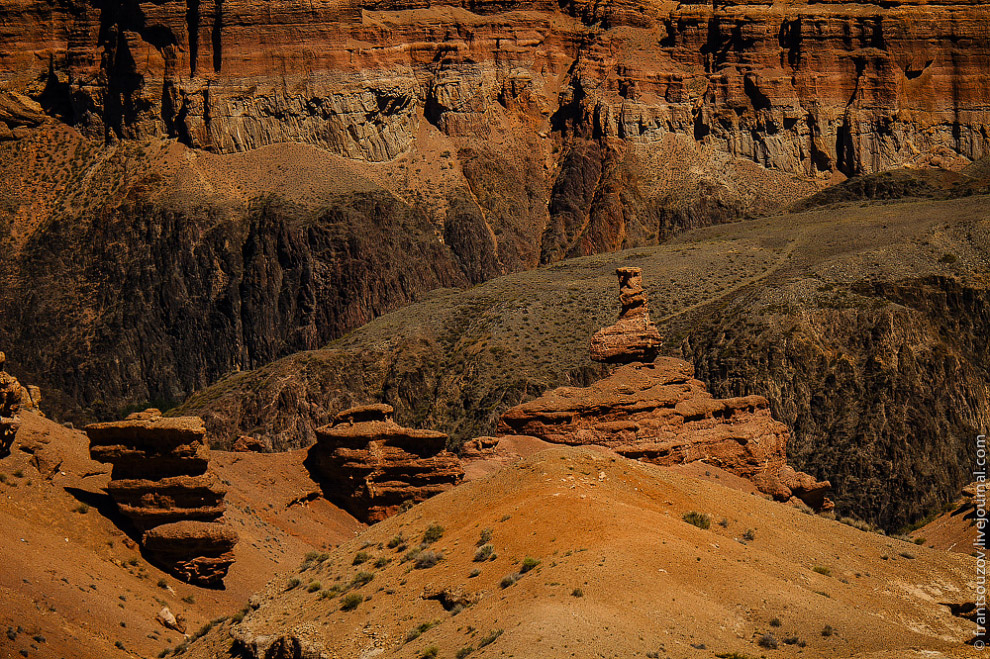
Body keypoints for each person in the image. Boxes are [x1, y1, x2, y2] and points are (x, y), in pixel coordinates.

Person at [0, 351, 22, 456]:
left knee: (15, 423)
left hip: (3, 417)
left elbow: (14, 408)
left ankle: (3, 449)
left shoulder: (11, 384)